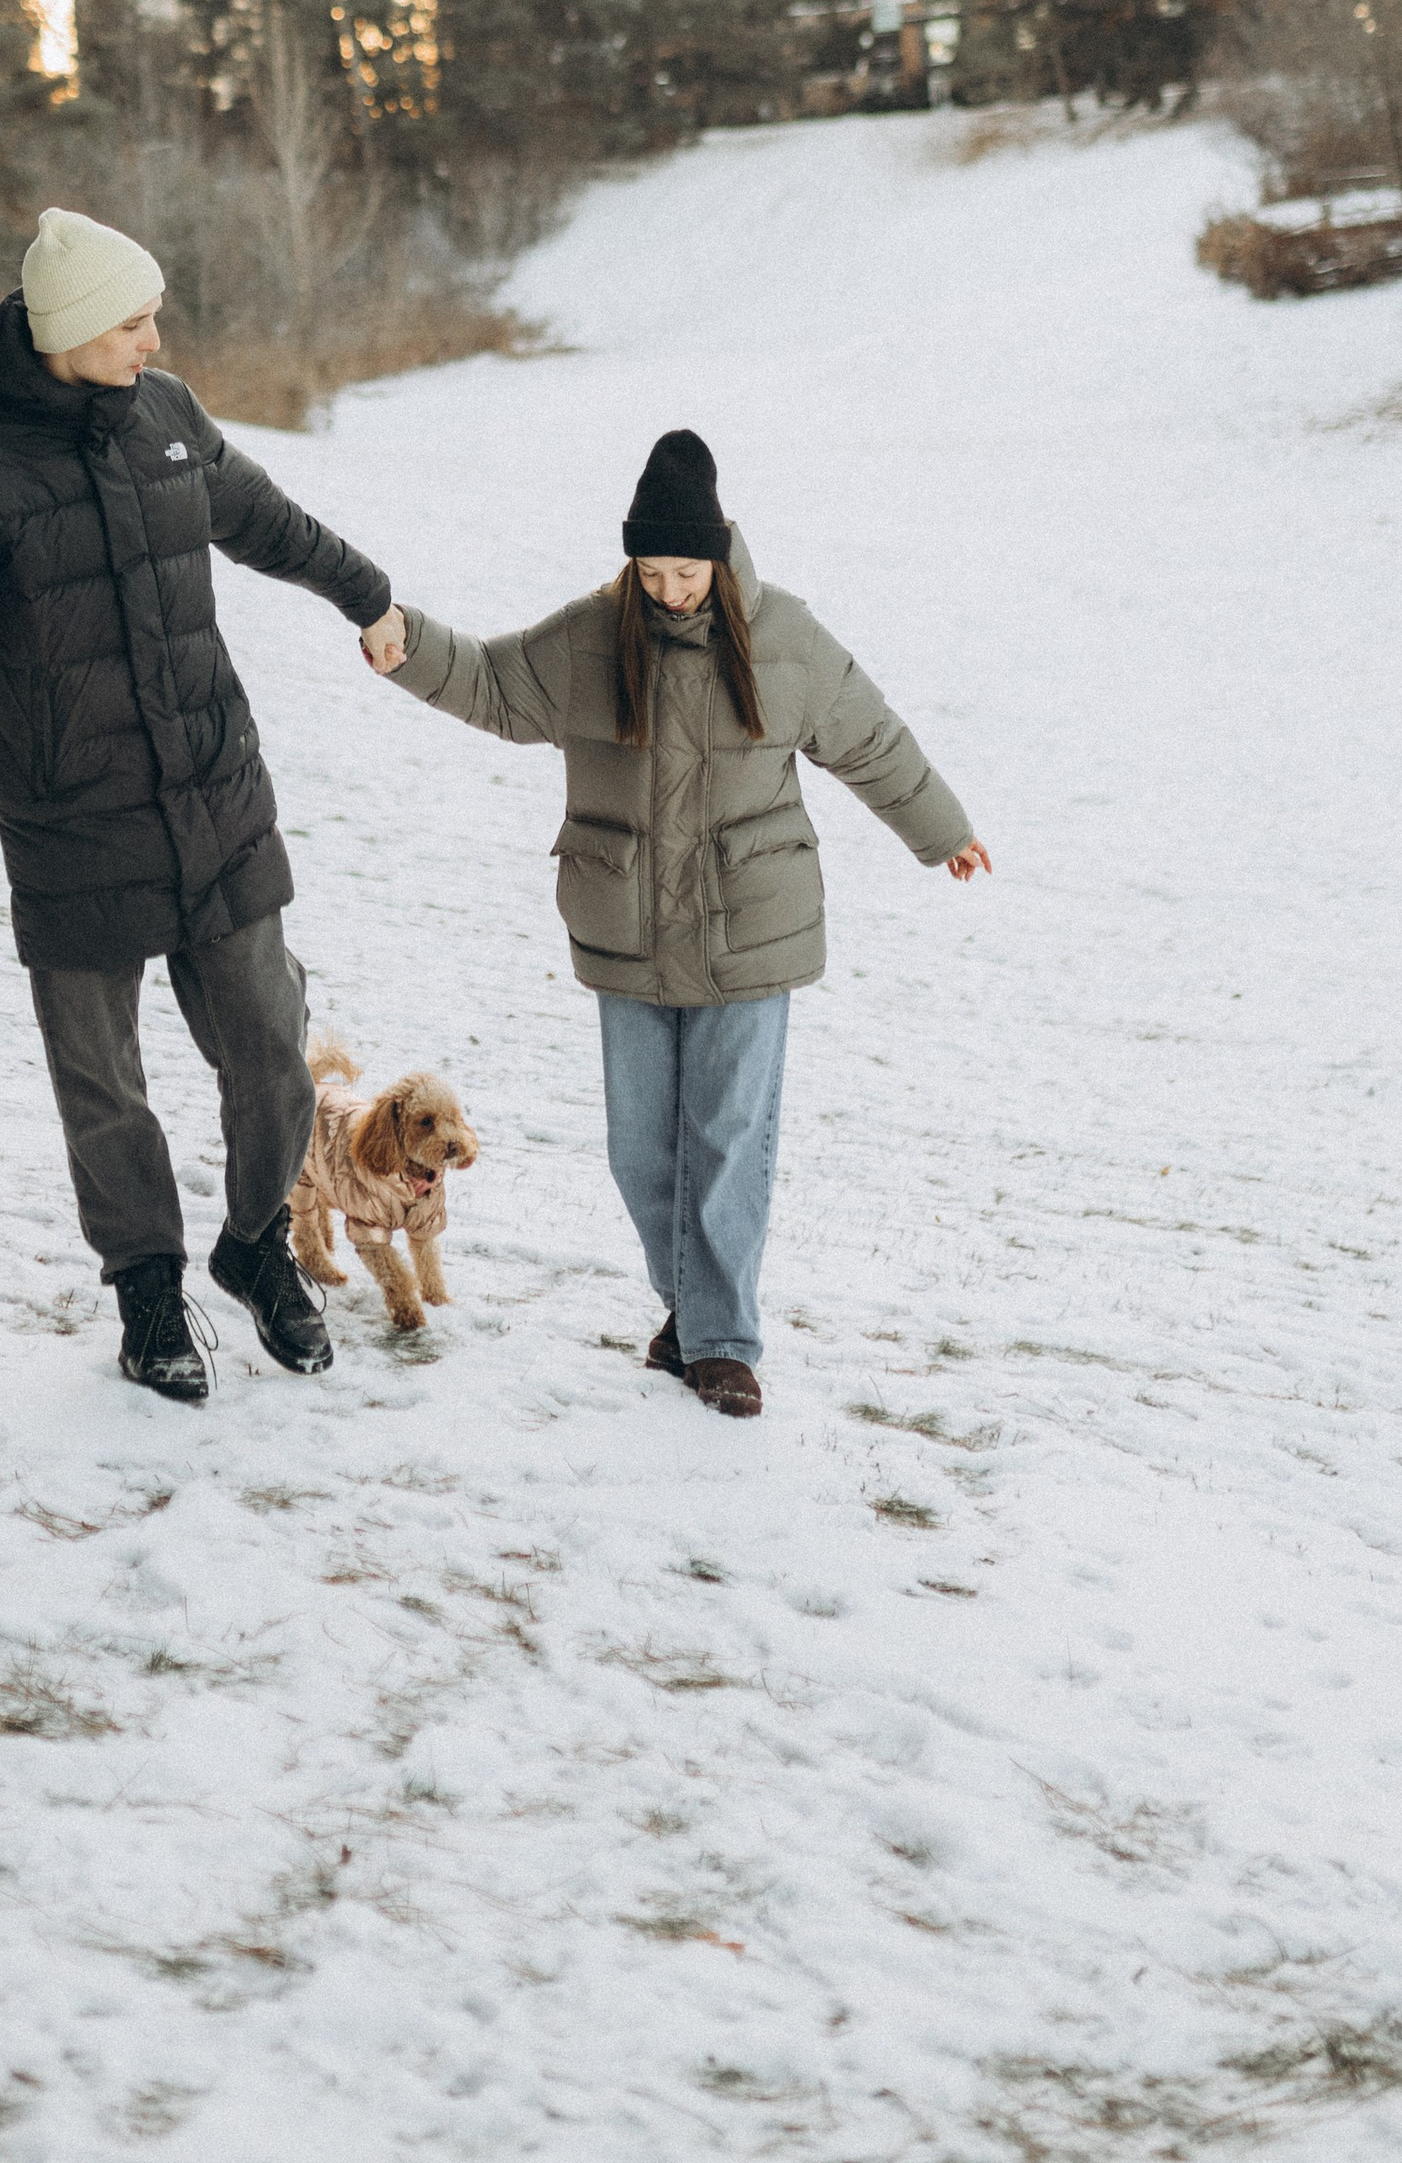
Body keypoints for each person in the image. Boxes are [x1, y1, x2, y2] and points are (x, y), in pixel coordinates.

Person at [0, 207, 409, 1406]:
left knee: (271, 1050)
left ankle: (256, 1240)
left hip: (214, 796)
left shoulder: (169, 417)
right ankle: (147, 1285)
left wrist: (366, 596)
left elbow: (267, 522)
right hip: (73, 822)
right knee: (102, 1081)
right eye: (133, 320)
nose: (156, 338)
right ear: (64, 331)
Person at [363, 427, 988, 1419]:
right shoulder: (589, 639)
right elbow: (489, 682)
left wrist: (940, 829)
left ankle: (723, 1343)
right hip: (628, 927)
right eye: (650, 571)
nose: (669, 591)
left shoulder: (784, 636)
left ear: (718, 555)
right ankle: (688, 1310)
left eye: (685, 571)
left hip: (753, 926)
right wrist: (405, 648)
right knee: (640, 1150)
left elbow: (869, 737)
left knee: (728, 1136)